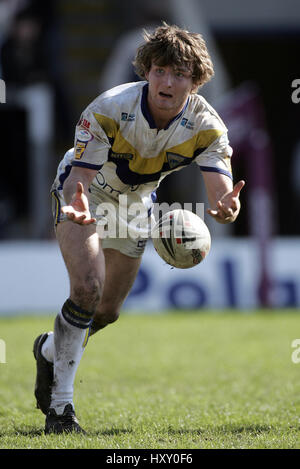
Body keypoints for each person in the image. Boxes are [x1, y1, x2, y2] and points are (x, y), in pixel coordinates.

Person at [33, 22, 245, 434]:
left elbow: (220, 193)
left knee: (107, 311)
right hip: (85, 193)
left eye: (179, 74)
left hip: (135, 202)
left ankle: (47, 349)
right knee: (87, 290)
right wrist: (76, 204)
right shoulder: (108, 109)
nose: (167, 81)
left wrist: (225, 208)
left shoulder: (207, 126)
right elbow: (80, 177)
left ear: (195, 82)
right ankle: (61, 409)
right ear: (146, 71)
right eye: (160, 71)